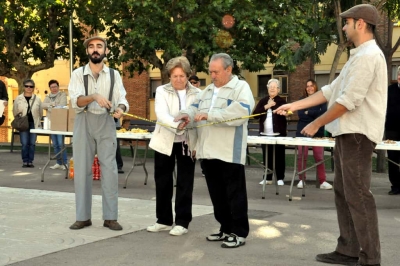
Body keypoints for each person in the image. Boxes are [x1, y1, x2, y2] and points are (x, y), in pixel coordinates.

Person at [276, 4, 385, 266]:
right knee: (343, 192)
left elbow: (348, 101)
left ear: (360, 24)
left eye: (346, 23)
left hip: (357, 135)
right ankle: (348, 249)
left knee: (358, 195)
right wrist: (294, 105)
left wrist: (317, 124)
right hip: (348, 134)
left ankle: (371, 258)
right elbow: (328, 92)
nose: (344, 27)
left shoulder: (370, 56)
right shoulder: (358, 56)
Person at [176, 53, 255, 248]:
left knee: (235, 194)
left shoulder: (241, 88)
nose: (212, 75)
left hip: (229, 152)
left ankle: (239, 233)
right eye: (210, 71)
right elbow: (194, 108)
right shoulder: (207, 91)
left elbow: (241, 113)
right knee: (217, 194)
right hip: (207, 152)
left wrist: (210, 115)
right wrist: (186, 115)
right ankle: (225, 228)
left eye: (216, 72)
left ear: (228, 70)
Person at [68, 36, 129, 231]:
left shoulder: (114, 74)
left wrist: (120, 108)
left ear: (106, 51)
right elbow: (75, 102)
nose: (95, 50)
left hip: (105, 121)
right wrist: (93, 96)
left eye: (99, 46)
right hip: (83, 121)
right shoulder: (78, 74)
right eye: (92, 47)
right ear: (87, 51)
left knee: (109, 170)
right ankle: (83, 217)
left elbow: (122, 98)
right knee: (82, 170)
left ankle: (110, 217)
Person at [147, 56, 200, 236]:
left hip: (187, 142)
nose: (178, 79)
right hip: (164, 142)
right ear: (169, 76)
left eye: (182, 76)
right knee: (163, 181)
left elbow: (197, 115)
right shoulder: (161, 90)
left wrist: (188, 124)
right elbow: (161, 114)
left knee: (185, 183)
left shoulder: (197, 93)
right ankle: (163, 220)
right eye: (175, 76)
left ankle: (182, 222)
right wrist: (177, 124)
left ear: (188, 76)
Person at [296, 79, 332, 190]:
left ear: (315, 87)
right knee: (302, 155)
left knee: (319, 157)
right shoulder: (302, 100)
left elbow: (323, 113)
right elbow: (301, 115)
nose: (309, 88)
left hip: (318, 132)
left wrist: (309, 112)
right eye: (307, 86)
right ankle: (301, 180)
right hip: (303, 131)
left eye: (311, 85)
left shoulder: (321, 100)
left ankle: (322, 181)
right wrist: (315, 115)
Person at [252, 78, 286, 186]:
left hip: (278, 134)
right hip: (265, 134)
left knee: (279, 156)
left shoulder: (282, 101)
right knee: (267, 156)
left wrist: (284, 112)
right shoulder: (263, 101)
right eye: (270, 87)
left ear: (278, 89)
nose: (272, 89)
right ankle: (268, 178)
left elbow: (286, 113)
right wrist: (267, 106)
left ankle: (280, 177)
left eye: (274, 87)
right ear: (267, 89)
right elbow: (255, 114)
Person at [12, 79, 43, 168]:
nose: (29, 88)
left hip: (34, 123)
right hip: (23, 123)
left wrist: (38, 120)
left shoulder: (37, 99)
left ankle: (30, 161)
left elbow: (40, 112)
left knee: (32, 143)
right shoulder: (18, 98)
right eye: (27, 86)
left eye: (31, 86)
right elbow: (14, 110)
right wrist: (19, 120)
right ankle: (25, 161)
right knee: (25, 143)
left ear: (33, 88)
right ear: (24, 87)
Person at [42, 80, 68, 170]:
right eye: (52, 87)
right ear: (50, 88)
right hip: (51, 122)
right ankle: (58, 162)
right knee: (55, 144)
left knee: (61, 143)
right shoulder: (48, 96)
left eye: (55, 86)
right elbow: (42, 105)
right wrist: (52, 104)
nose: (54, 89)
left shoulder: (63, 95)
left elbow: (62, 106)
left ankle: (64, 162)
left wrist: (50, 107)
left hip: (60, 122)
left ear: (58, 86)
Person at [385, 66, 400, 195]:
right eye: (399, 74)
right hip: (391, 129)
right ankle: (395, 185)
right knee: (393, 159)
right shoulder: (389, 90)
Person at [188, 75, 205, 176]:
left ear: (198, 83)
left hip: (201, 126)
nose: (193, 85)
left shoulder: (202, 95)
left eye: (195, 82)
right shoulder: (188, 94)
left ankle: (204, 169)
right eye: (191, 83)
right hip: (190, 127)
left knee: (201, 147)